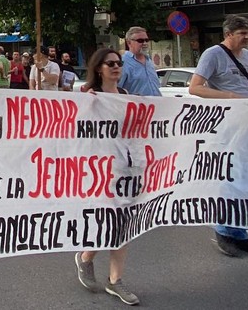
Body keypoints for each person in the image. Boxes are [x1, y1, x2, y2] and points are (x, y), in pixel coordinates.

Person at [187, 15, 248, 257]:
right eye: (242, 33)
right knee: (229, 176)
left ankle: (241, 233)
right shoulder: (213, 54)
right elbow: (195, 87)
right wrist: (229, 97)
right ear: (228, 34)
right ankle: (223, 231)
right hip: (228, 125)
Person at [74, 48, 139, 305]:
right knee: (108, 222)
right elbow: (72, 130)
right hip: (98, 171)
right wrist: (85, 105)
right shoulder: (87, 96)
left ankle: (115, 281)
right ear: (98, 68)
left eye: (119, 63)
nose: (116, 67)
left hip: (126, 169)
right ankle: (86, 256)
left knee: (123, 225)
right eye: (110, 63)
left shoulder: (125, 96)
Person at [118, 26, 162, 97]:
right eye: (140, 40)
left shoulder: (149, 61)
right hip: (136, 106)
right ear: (129, 42)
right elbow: (116, 90)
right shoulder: (123, 63)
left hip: (156, 105)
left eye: (146, 40)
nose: (144, 43)